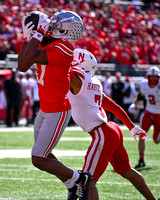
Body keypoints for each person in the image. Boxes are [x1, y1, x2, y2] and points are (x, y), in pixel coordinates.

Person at [18, 10, 92, 200]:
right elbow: (22, 65)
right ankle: (72, 186)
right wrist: (27, 38)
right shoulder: (49, 42)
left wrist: (37, 35)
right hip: (45, 109)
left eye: (57, 22)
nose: (53, 23)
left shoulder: (65, 48)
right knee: (45, 154)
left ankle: (80, 178)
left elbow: (32, 55)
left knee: (38, 159)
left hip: (57, 111)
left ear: (66, 30)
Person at [67, 48, 157, 200]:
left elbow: (62, 69)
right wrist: (131, 126)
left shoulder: (77, 78)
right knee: (127, 171)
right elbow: (113, 106)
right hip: (111, 130)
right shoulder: (93, 81)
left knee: (87, 182)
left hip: (102, 133)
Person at [135, 66, 160, 168]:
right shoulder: (143, 84)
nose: (153, 79)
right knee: (141, 135)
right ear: (148, 77)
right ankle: (141, 160)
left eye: (155, 77)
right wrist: (135, 104)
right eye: (151, 77)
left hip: (159, 115)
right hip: (148, 113)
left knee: (156, 141)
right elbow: (141, 95)